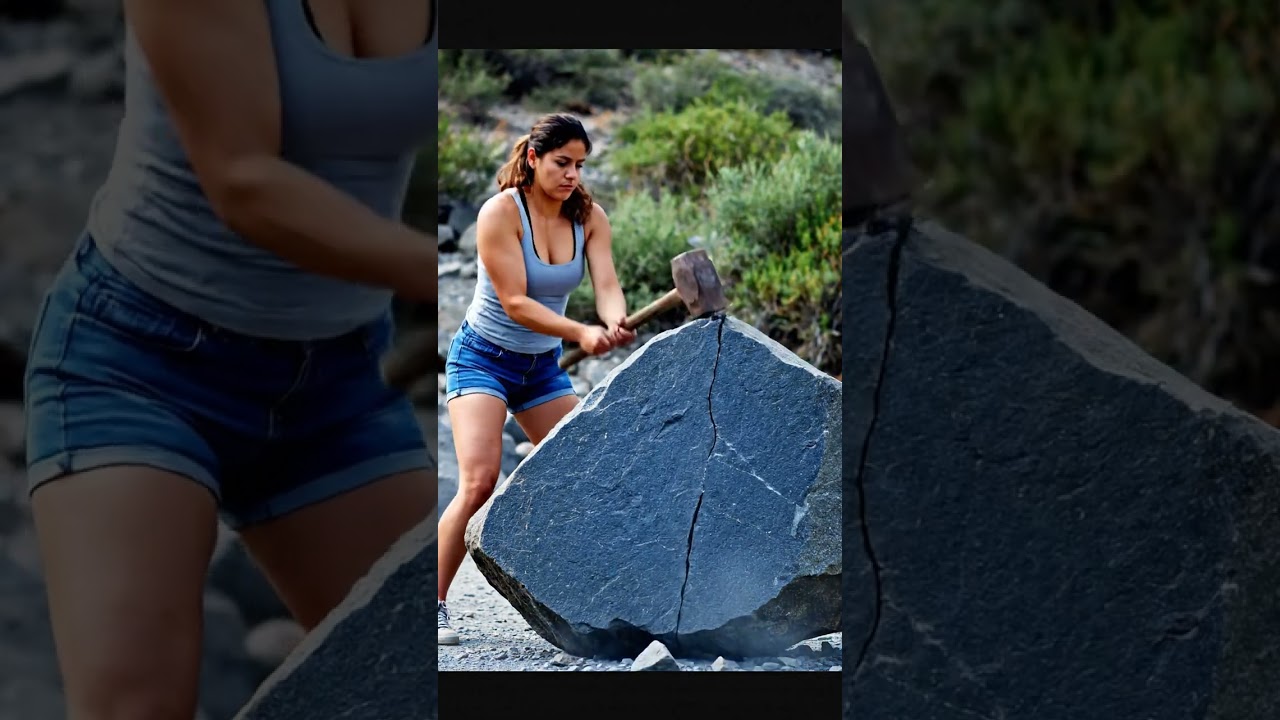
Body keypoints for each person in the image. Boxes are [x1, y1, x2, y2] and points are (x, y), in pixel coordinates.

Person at [22, 1, 437, 718]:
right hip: (141, 364)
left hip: (335, 383)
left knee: (434, 674)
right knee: (136, 707)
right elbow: (246, 181)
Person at [437, 113, 637, 645]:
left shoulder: (590, 216)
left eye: (580, 164)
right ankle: (433, 603)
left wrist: (612, 318)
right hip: (482, 359)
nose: (573, 174)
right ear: (533, 158)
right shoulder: (499, 213)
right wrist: (580, 331)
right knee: (479, 480)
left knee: (591, 471)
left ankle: (600, 597)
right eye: (562, 163)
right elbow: (517, 302)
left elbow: (608, 284)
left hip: (540, 369)